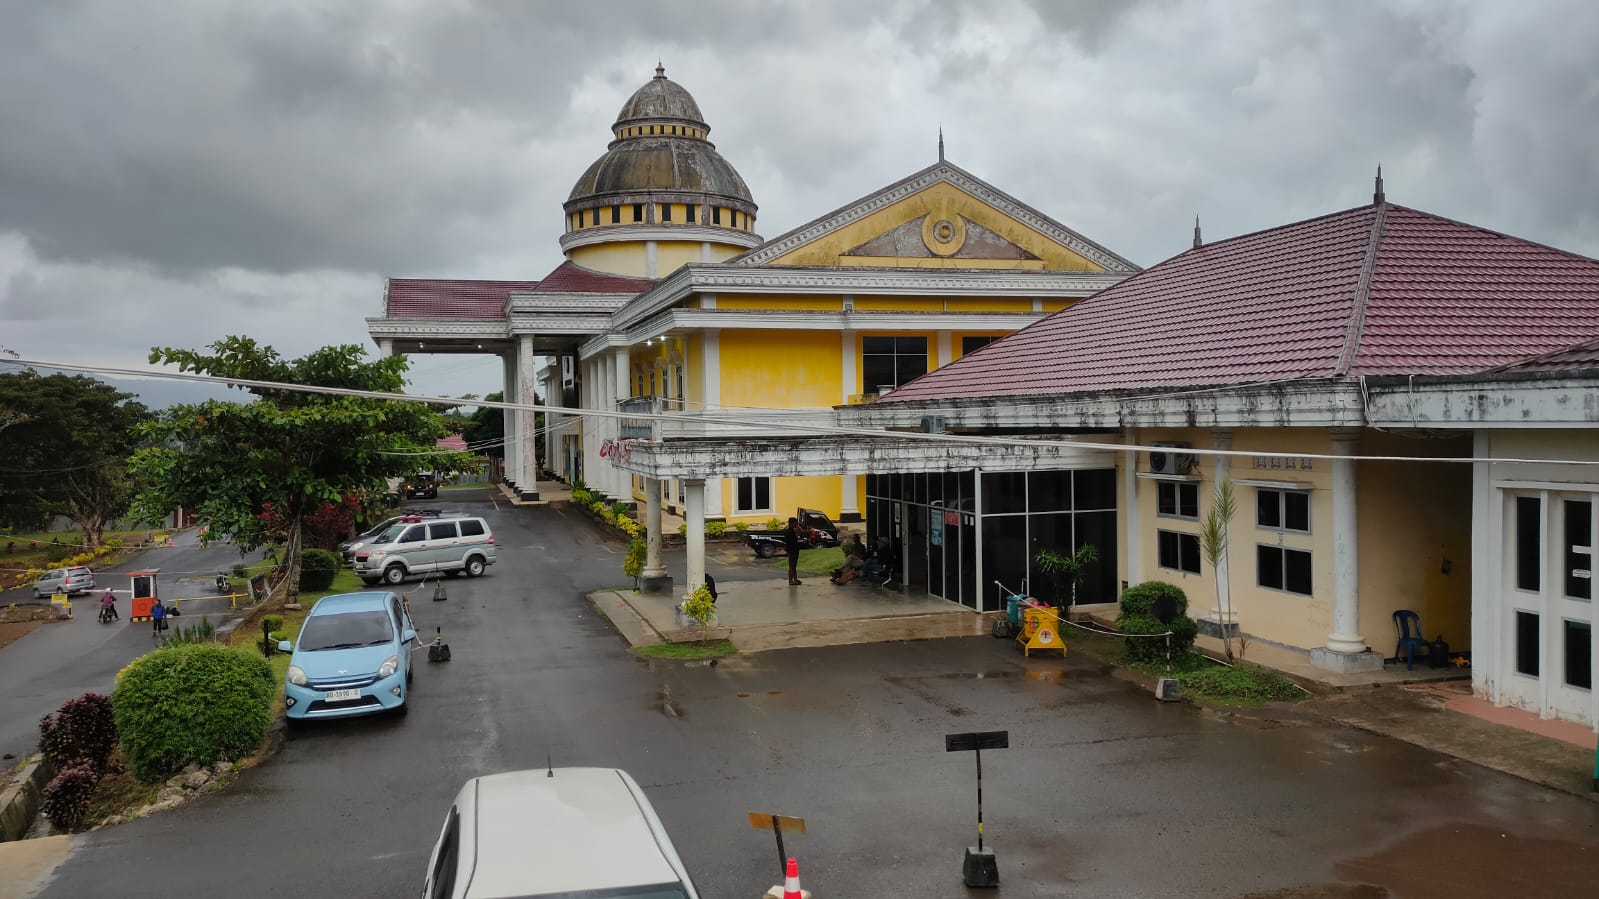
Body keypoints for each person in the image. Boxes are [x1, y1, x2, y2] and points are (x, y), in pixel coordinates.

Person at [783, 517, 803, 585]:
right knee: (792, 566)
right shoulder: (789, 532)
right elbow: (791, 542)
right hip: (792, 550)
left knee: (794, 566)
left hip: (794, 550)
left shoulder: (791, 531)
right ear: (792, 523)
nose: (797, 524)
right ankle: (790, 581)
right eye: (796, 523)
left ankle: (795, 579)